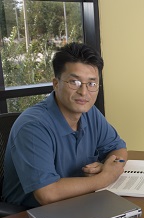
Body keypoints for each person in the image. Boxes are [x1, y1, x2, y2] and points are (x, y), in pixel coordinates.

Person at [3, 42, 127, 208]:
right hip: (31, 217)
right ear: (56, 83)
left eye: (91, 84)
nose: (84, 92)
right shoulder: (32, 126)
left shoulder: (89, 112)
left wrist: (108, 166)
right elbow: (47, 193)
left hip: (77, 205)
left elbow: (119, 148)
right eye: (74, 82)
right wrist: (105, 177)